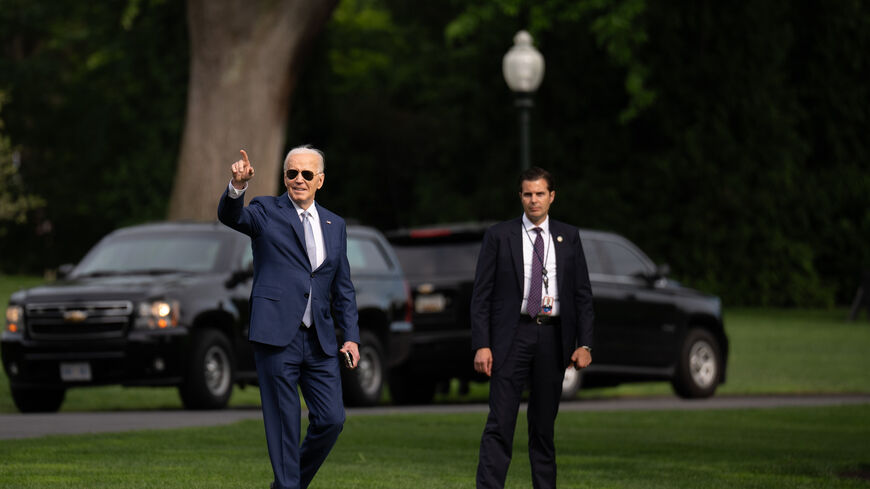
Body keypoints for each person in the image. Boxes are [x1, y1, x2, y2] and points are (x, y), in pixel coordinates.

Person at [217, 146, 360, 489]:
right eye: (292, 173)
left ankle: (285, 486)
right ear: (284, 177)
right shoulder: (266, 210)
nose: (298, 179)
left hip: (320, 341)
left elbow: (343, 288)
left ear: (320, 180)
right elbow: (232, 216)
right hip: (276, 336)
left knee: (331, 420)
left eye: (306, 174)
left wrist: (351, 336)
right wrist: (237, 186)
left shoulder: (335, 224)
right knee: (283, 424)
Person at [471, 166, 594, 489]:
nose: (534, 200)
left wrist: (585, 344)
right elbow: (481, 295)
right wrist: (481, 344)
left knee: (543, 427)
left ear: (552, 197)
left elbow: (582, 295)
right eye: (528, 194)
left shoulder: (569, 237)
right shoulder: (499, 236)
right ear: (520, 196)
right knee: (500, 423)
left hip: (553, 338)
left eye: (540, 193)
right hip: (511, 337)